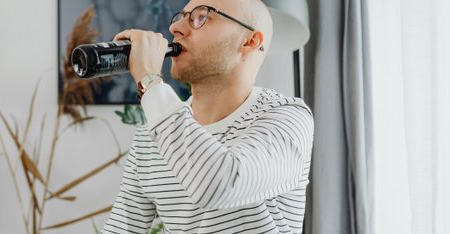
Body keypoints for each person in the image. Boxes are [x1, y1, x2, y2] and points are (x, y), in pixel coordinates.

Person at [102, 0, 314, 233]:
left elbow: (219, 185)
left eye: (202, 17)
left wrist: (150, 81)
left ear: (250, 41)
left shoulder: (287, 117)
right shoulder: (152, 133)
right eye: (180, 17)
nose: (175, 29)